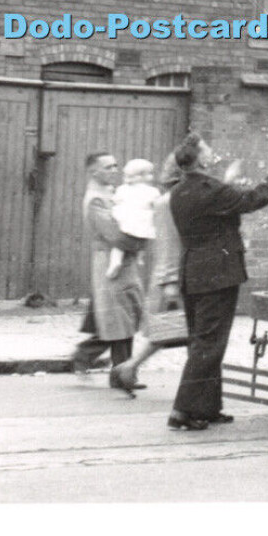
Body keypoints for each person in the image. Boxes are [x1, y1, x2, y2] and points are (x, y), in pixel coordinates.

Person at [166, 133, 268, 431]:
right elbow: (255, 199)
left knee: (202, 340)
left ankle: (207, 408)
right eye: (208, 151)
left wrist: (228, 181)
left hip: (193, 272)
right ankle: (182, 410)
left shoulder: (179, 190)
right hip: (218, 274)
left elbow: (217, 205)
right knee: (209, 343)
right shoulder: (211, 190)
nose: (213, 154)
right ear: (202, 159)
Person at [109, 154, 185, 398]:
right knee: (173, 330)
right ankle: (128, 367)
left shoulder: (166, 200)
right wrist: (171, 281)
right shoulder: (167, 202)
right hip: (172, 278)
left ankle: (128, 367)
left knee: (174, 331)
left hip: (171, 276)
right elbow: (169, 244)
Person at [70, 152, 145, 383]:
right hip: (110, 263)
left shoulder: (113, 193)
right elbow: (113, 234)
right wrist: (142, 238)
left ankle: (88, 357)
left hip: (124, 262)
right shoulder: (95, 200)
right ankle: (120, 374)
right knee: (118, 318)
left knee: (124, 316)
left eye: (116, 166)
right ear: (94, 171)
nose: (115, 170)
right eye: (109, 167)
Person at [104, 159, 159, 282]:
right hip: (143, 224)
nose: (152, 177)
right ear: (140, 176)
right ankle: (139, 256)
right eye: (149, 174)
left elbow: (115, 200)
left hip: (128, 222)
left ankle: (115, 261)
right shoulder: (153, 191)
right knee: (142, 240)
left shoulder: (122, 189)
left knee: (119, 246)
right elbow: (157, 205)